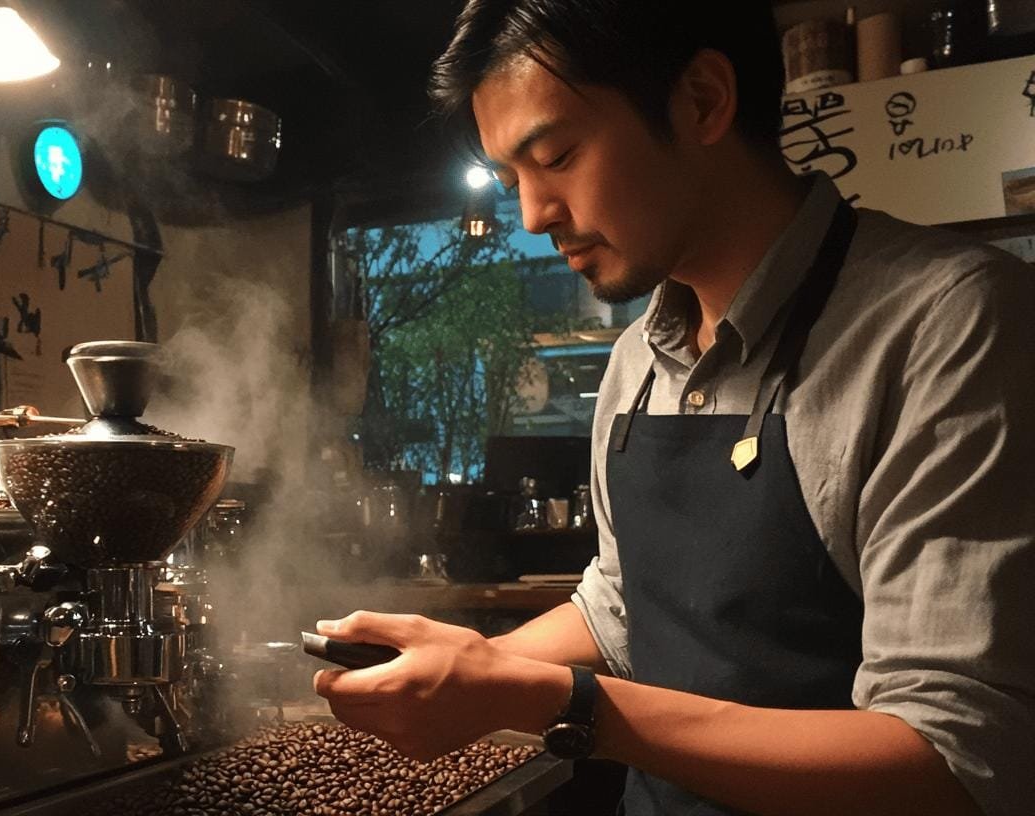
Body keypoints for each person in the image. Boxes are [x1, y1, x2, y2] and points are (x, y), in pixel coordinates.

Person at [311, 2, 1035, 815]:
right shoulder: (634, 363)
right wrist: (475, 663)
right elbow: (623, 604)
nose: (533, 216)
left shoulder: (949, 322)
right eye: (514, 181)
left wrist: (553, 702)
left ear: (702, 101)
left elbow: (951, 761)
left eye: (556, 156)